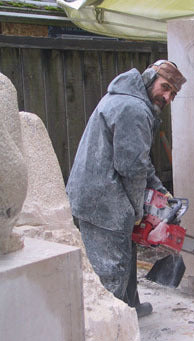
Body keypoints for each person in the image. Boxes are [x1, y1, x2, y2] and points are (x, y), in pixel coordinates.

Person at [66, 60, 186, 317]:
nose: (166, 96)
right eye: (165, 87)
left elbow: (139, 160)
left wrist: (159, 191)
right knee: (112, 269)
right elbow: (131, 169)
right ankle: (112, 330)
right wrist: (139, 213)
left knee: (126, 252)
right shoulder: (133, 109)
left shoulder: (129, 99)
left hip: (103, 191)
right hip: (102, 200)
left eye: (172, 94)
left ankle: (130, 306)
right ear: (149, 78)